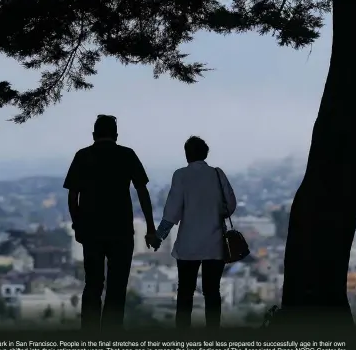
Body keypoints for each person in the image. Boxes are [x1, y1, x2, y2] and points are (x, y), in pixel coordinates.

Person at [63, 114, 157, 331]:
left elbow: (72, 196)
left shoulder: (83, 156)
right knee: (117, 287)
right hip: (121, 229)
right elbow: (142, 191)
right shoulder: (127, 155)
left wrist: (77, 224)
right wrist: (150, 227)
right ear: (116, 135)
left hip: (91, 230)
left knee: (93, 284)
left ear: (94, 134)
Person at [152, 136, 237, 329]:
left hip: (188, 244)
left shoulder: (181, 175)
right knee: (212, 291)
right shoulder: (217, 174)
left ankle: (183, 335)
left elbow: (172, 212)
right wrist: (216, 214)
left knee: (185, 292)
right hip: (214, 242)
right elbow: (230, 205)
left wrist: (159, 236)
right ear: (205, 153)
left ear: (186, 154)